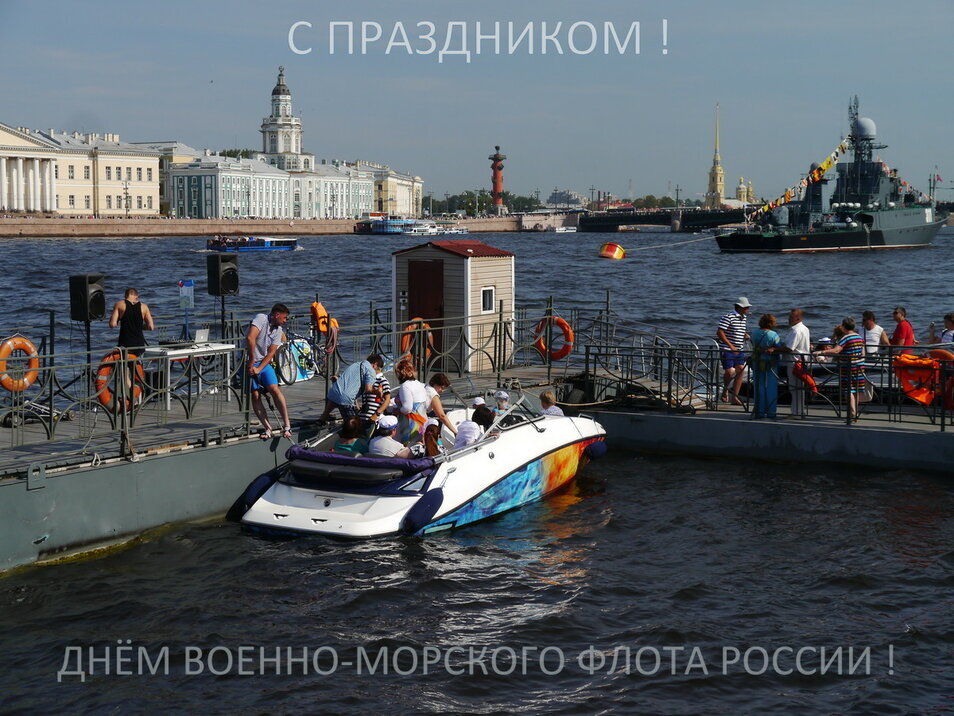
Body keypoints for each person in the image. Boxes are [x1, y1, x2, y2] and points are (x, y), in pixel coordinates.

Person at [245, 303, 292, 440]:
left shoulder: (278, 330)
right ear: (276, 315)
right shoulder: (261, 319)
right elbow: (250, 338)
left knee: (274, 389)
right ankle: (267, 427)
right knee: (255, 395)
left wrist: (259, 368)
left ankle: (287, 425)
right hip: (248, 360)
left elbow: (271, 352)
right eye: (284, 318)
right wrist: (251, 361)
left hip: (263, 363)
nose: (285, 321)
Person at [816, 317, 866, 421]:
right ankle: (855, 412)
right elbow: (863, 353)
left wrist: (822, 352)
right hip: (860, 366)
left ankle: (852, 413)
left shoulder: (846, 338)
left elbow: (836, 350)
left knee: (848, 390)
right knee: (856, 390)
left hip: (848, 367)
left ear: (843, 327)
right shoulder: (859, 337)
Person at [319, 353, 383, 423]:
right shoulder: (370, 370)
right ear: (375, 364)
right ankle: (349, 432)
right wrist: (378, 392)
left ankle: (321, 421)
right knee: (353, 424)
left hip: (334, 391)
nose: (377, 371)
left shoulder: (356, 364)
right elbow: (368, 388)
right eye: (378, 368)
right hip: (345, 398)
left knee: (331, 406)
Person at [716, 297, 752, 405]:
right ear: (740, 307)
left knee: (740, 370)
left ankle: (734, 397)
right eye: (746, 307)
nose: (748, 309)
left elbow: (738, 330)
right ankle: (725, 390)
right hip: (727, 349)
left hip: (739, 349)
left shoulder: (743, 318)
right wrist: (730, 346)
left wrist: (744, 334)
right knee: (730, 371)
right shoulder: (728, 317)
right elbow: (720, 332)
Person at [777, 309, 810, 419]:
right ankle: (800, 411)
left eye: (791, 317)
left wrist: (775, 349)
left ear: (798, 318)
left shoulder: (796, 331)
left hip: (795, 362)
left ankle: (796, 413)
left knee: (795, 388)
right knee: (799, 389)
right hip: (802, 361)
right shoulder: (804, 328)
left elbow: (789, 348)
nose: (789, 319)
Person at [749, 314, 781, 419]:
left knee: (758, 386)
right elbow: (778, 347)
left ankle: (759, 411)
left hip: (757, 360)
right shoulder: (773, 335)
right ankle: (771, 412)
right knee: (771, 387)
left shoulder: (754, 332)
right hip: (770, 362)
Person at [394, 356, 428, 443]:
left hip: (410, 424)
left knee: (408, 445)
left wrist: (397, 410)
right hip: (422, 421)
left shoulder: (405, 386)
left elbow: (407, 408)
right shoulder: (419, 384)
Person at [359, 364, 391, 434]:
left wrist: (376, 415)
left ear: (374, 365)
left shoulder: (382, 380)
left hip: (372, 419)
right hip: (363, 417)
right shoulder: (368, 380)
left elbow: (387, 400)